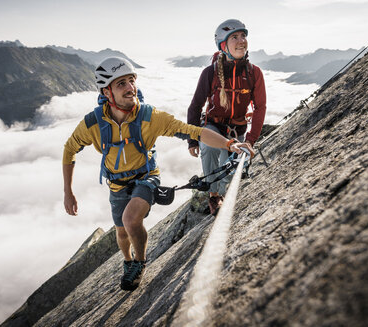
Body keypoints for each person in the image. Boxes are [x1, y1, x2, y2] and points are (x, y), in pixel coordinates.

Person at [63, 57, 247, 291]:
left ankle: (139, 262)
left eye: (132, 80)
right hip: (117, 184)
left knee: (131, 220)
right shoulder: (93, 123)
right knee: (121, 233)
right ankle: (128, 261)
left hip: (145, 178)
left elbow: (194, 131)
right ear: (106, 92)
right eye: (121, 84)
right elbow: (70, 149)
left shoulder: (150, 117)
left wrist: (230, 144)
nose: (130, 88)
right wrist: (68, 192)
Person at [187, 19, 267, 215]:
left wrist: (250, 141)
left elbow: (260, 107)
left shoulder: (253, 73)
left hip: (237, 129)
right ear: (223, 45)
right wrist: (192, 140)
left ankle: (221, 188)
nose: (241, 41)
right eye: (235, 37)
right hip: (214, 125)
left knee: (230, 170)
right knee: (209, 148)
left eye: (243, 36)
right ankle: (214, 195)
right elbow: (196, 106)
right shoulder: (210, 73)